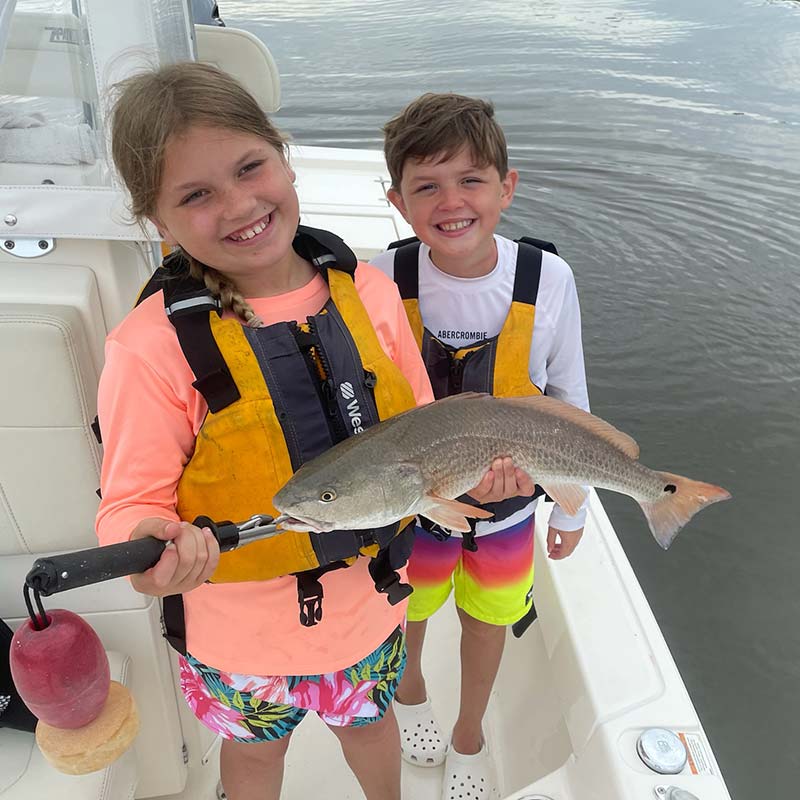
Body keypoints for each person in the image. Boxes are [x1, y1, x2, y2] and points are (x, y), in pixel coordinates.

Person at [95, 62, 435, 800]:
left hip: (367, 609)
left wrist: (487, 475)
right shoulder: (148, 349)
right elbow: (128, 508)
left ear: (282, 154)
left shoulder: (369, 291)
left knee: (372, 730)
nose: (240, 204)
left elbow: (427, 433)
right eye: (196, 195)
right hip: (235, 640)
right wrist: (154, 553)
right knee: (252, 761)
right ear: (158, 221)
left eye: (251, 167)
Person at [370, 93, 590, 800]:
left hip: (513, 508)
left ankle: (470, 731)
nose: (450, 201)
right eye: (425, 186)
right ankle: (410, 699)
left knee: (487, 618)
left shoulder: (548, 279)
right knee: (408, 611)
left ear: (507, 187)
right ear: (398, 201)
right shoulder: (382, 279)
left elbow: (570, 404)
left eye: (470, 180)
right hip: (413, 506)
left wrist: (570, 509)